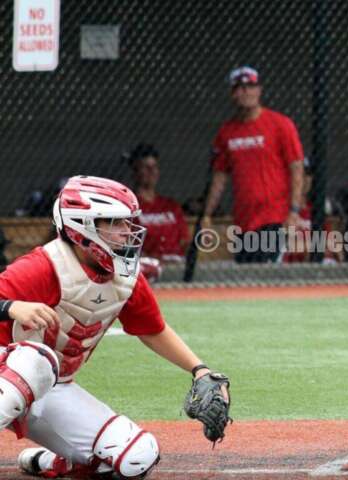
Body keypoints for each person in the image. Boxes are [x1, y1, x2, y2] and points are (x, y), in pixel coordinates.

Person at [0, 176, 230, 478]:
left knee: (137, 456)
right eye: (115, 223)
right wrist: (10, 306)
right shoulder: (45, 265)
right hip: (13, 372)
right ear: (81, 226)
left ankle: (46, 461)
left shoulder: (125, 275)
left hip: (54, 389)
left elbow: (152, 329)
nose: (127, 231)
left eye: (128, 222)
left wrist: (199, 369)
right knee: (37, 361)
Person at [203, 66, 305, 263]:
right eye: (240, 87)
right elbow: (219, 177)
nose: (246, 92)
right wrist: (207, 214)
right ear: (232, 93)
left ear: (259, 90)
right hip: (243, 221)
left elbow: (296, 168)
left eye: (250, 86)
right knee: (246, 278)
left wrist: (293, 212)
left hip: (275, 217)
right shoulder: (226, 132)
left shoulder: (280, 124)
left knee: (268, 275)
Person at [127, 143, 190, 262]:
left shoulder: (171, 205)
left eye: (154, 167)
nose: (152, 172)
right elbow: (129, 246)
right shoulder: (130, 206)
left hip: (178, 263)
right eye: (146, 167)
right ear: (135, 172)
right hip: (148, 264)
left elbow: (185, 241)